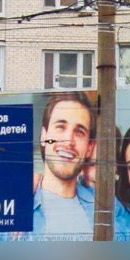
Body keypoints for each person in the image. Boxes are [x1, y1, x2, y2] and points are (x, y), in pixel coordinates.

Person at [31, 92, 96, 238]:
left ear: (89, 148)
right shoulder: (12, 206)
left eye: (79, 132)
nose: (68, 141)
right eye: (60, 127)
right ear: (44, 136)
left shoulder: (106, 207)